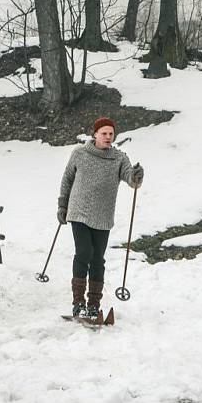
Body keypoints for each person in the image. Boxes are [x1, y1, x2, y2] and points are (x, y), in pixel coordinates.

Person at [57, 117, 144, 318]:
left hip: (103, 215)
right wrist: (62, 205)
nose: (107, 137)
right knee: (84, 252)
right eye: (104, 133)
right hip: (78, 211)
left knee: (98, 259)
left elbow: (131, 179)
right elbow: (67, 179)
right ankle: (78, 302)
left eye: (111, 134)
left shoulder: (119, 158)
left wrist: (137, 176)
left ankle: (93, 304)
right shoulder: (79, 153)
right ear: (95, 134)